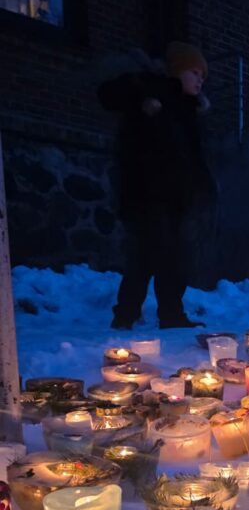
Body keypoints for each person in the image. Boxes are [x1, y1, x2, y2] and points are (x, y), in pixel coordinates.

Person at [99, 41, 215, 330]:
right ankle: (128, 315)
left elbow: (191, 156)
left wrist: (203, 186)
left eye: (203, 75)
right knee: (149, 254)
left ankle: (166, 314)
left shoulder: (187, 111)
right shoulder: (151, 90)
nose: (200, 80)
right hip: (146, 193)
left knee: (171, 256)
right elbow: (108, 95)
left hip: (176, 196)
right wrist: (142, 98)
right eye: (195, 72)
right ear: (176, 70)